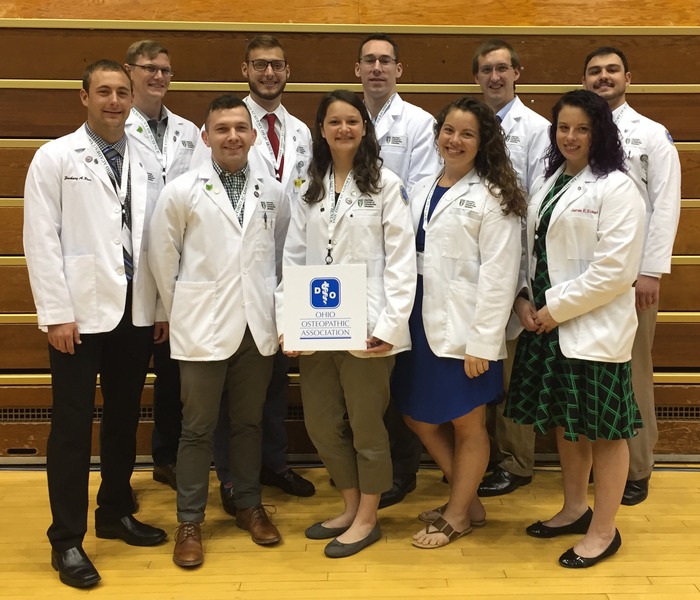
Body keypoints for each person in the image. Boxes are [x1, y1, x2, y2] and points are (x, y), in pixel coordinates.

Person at [23, 59, 167, 589]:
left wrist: (159, 307)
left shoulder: (146, 158)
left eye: (122, 93)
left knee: (125, 418)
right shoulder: (56, 157)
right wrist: (56, 314)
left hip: (134, 310)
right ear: (83, 97)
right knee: (71, 428)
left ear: (132, 99)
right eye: (103, 92)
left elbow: (154, 237)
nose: (114, 101)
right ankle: (66, 540)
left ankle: (114, 512)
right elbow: (40, 240)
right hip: (78, 317)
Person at [506, 89, 645, 568]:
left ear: (599, 132)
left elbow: (614, 271)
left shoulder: (618, 187)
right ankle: (574, 508)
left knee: (605, 431)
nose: (570, 136)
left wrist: (552, 309)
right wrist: (525, 301)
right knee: (570, 425)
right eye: (563, 127)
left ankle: (604, 531)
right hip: (548, 325)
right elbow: (534, 253)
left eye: (581, 128)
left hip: (590, 328)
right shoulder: (552, 180)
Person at [149, 95, 289, 567]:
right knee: (197, 429)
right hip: (202, 327)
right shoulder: (182, 191)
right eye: (222, 129)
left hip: (257, 326)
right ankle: (189, 520)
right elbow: (162, 260)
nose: (232, 136)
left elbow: (279, 256)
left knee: (248, 423)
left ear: (253, 136)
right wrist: (183, 309)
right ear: (205, 137)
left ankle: (249, 505)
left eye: (240, 128)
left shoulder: (272, 192)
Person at [278, 90, 416, 557]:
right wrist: (288, 321)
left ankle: (368, 517)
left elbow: (402, 262)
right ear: (321, 129)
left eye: (352, 121)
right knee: (320, 423)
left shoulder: (386, 185)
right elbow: (293, 257)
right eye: (334, 121)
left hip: (368, 329)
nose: (343, 129)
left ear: (364, 129)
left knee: (365, 425)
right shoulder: (309, 186)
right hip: (316, 325)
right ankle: (350, 504)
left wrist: (390, 324)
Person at [393, 96, 525, 549]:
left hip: (466, 327)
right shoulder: (427, 183)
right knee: (416, 416)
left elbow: (500, 276)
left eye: (467, 133)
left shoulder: (495, 197)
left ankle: (458, 513)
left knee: (469, 425)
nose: (455, 140)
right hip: (418, 318)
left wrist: (483, 343)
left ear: (483, 141)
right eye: (449, 130)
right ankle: (467, 498)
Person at [192, 35, 315, 504]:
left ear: (288, 71)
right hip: (232, 275)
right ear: (245, 69)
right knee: (231, 387)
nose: (269, 73)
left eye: (278, 65)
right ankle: (230, 476)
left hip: (286, 270)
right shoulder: (225, 125)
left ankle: (275, 463)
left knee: (275, 377)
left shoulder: (302, 131)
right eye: (260, 65)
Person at [582, 47, 681, 506]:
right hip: (583, 278)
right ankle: (597, 464)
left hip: (633, 279)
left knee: (633, 370)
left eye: (612, 71)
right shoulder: (573, 132)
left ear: (628, 78)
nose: (604, 78)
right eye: (595, 72)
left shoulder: (651, 135)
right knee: (589, 370)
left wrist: (650, 271)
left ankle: (637, 467)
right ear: (585, 80)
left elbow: (665, 205)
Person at [355, 32, 441, 509]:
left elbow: (421, 188)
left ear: (399, 70)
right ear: (357, 70)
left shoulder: (419, 123)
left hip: (398, 255)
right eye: (369, 61)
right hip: (352, 264)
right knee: (361, 373)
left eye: (385, 61)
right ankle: (366, 471)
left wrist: (385, 231)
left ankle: (400, 472)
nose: (377, 68)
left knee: (395, 371)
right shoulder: (345, 114)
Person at [470, 39, 552, 498]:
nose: (495, 77)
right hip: (472, 267)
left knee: (509, 374)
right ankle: (479, 460)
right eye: (486, 70)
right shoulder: (470, 126)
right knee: (478, 369)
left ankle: (517, 463)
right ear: (477, 77)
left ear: (518, 72)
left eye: (503, 68)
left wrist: (523, 288)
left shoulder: (537, 129)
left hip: (515, 270)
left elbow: (535, 211)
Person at [124, 39, 200, 491]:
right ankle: (120, 473)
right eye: (148, 68)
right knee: (128, 380)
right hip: (132, 274)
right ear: (130, 72)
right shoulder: (118, 127)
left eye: (165, 70)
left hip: (180, 272)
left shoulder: (190, 132)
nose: (157, 76)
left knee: (174, 376)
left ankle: (167, 458)